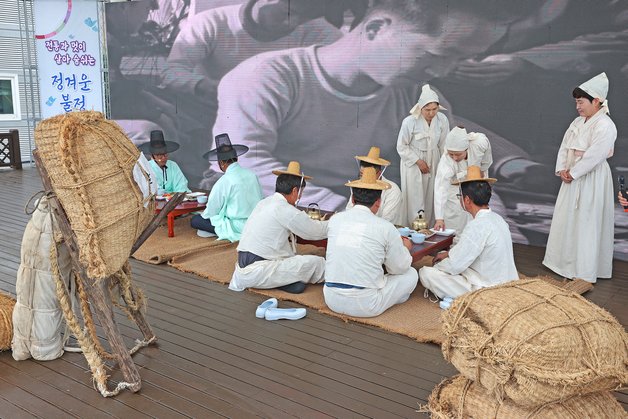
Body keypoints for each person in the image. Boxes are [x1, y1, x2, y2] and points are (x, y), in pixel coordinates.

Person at [211, 0, 549, 209]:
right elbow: (243, 164)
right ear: (375, 28)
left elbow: (453, 132)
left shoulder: (410, 90)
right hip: (268, 211)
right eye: (437, 55)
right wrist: (339, 210)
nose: (444, 70)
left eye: (460, 59)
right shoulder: (265, 77)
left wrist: (512, 163)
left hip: (348, 208)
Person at [543, 73, 616, 283]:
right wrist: (563, 169)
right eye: (576, 102)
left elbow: (596, 154)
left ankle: (584, 269)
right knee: (568, 220)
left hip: (591, 178)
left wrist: (574, 172)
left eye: (581, 102)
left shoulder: (605, 125)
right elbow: (565, 146)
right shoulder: (577, 122)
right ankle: (564, 263)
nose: (578, 106)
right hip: (572, 176)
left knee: (587, 221)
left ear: (596, 101)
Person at [324, 167, 418, 317]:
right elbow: (399, 268)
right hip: (365, 304)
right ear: (378, 202)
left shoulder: (335, 220)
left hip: (331, 299)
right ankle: (395, 296)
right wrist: (405, 248)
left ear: (353, 200)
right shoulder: (386, 227)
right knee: (412, 274)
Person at [419, 166, 518, 299]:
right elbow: (468, 251)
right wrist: (448, 254)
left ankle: (474, 298)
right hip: (507, 281)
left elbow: (455, 266)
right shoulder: (498, 219)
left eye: (459, 196)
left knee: (426, 273)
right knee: (448, 259)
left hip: (488, 289)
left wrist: (439, 265)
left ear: (467, 200)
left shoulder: (477, 226)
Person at [229, 161, 328, 294]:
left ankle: (287, 282)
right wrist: (338, 222)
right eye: (301, 192)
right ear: (295, 191)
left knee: (298, 274)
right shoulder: (284, 209)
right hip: (259, 270)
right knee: (317, 263)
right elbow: (314, 231)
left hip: (243, 270)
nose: (301, 196)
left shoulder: (264, 202)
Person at [191, 134, 263, 240]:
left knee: (196, 220)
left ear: (221, 163)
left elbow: (211, 211)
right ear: (236, 158)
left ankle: (220, 232)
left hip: (236, 226)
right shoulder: (252, 175)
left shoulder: (225, 181)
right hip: (255, 223)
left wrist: (204, 214)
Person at [397, 84, 450, 226]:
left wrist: (444, 164)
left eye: (434, 109)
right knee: (415, 196)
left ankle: (430, 227)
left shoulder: (442, 120)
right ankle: (413, 228)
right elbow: (401, 146)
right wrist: (418, 161)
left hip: (434, 159)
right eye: (427, 110)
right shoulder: (409, 122)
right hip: (413, 162)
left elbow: (444, 144)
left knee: (432, 194)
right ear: (421, 108)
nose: (431, 113)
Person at [433, 126, 492, 235]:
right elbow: (441, 188)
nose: (454, 158)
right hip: (456, 191)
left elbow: (487, 156)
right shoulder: (446, 161)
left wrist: (483, 168)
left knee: (478, 224)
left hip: (477, 185)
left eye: (458, 154)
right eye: (451, 154)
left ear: (466, 148)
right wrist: (439, 218)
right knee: (456, 224)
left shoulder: (480, 142)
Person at [345, 146, 403, 225]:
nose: (364, 178)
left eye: (369, 175)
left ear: (379, 173)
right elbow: (349, 210)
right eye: (361, 174)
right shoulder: (359, 184)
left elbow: (387, 221)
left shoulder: (393, 190)